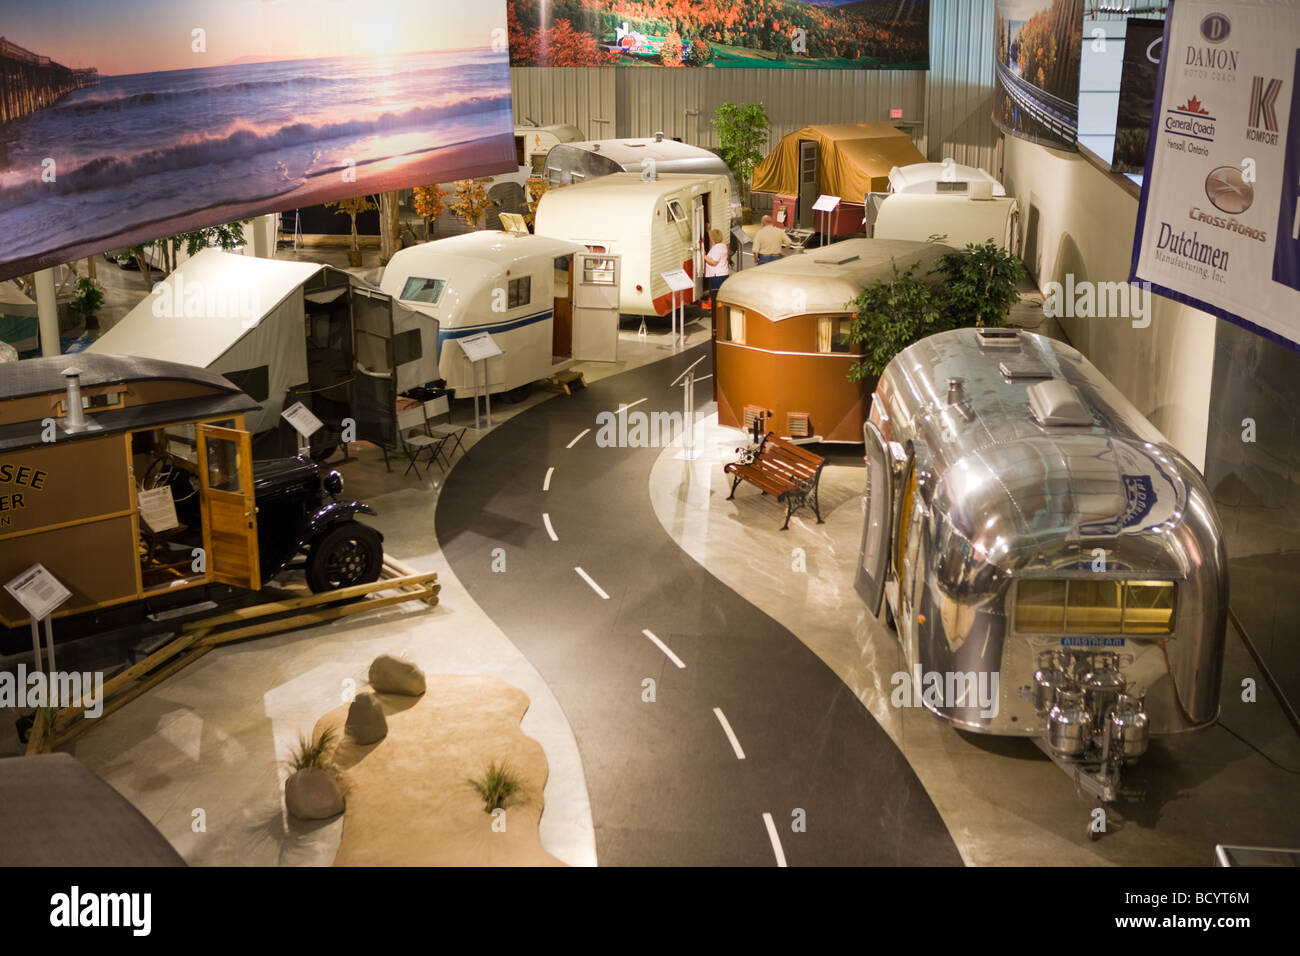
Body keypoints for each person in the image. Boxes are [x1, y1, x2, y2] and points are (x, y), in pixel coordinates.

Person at [703, 227, 729, 307]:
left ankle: (715, 309)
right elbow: (713, 242)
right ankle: (715, 307)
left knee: (715, 293)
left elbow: (714, 262)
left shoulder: (717, 248)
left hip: (717, 275)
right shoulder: (722, 246)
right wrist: (709, 230)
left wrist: (704, 256)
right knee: (720, 293)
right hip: (722, 273)